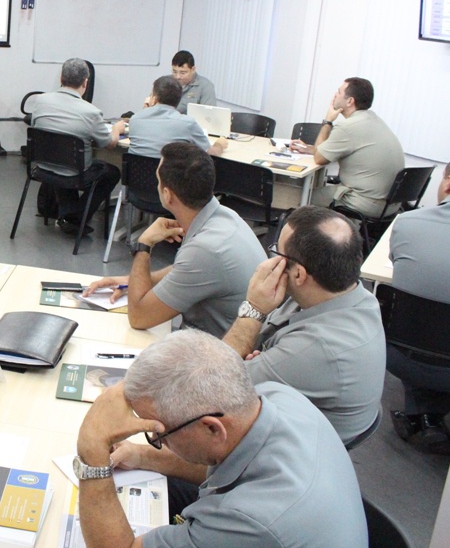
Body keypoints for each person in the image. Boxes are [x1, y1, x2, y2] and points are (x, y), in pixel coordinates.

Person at [76, 329, 367, 548]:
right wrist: (142, 455)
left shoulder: (248, 519)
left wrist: (92, 454)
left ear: (212, 428)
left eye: (160, 434)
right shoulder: (279, 398)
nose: (158, 441)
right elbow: (222, 462)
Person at [221, 205, 385, 445]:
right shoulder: (352, 296)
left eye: (278, 252)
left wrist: (253, 309)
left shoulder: (318, 348)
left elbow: (215, 386)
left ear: (299, 274)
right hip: (286, 420)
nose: (274, 259)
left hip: (277, 456)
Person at [85, 142, 264, 337]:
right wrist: (131, 282)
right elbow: (188, 271)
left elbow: (138, 318)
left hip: (213, 356)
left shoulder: (206, 250)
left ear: (167, 194)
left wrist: (144, 245)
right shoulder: (225, 217)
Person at [387, 152, 450, 454]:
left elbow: (397, 268)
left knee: (422, 318)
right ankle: (432, 415)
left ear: (448, 182)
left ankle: (420, 413)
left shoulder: (406, 223)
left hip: (396, 355)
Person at [29, 57, 128, 235]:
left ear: (61, 78)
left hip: (42, 167)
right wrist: (117, 128)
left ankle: (68, 214)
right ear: (85, 82)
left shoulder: (40, 101)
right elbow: (109, 143)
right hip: (72, 173)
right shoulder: (90, 112)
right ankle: (76, 217)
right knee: (111, 172)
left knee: (63, 158)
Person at [290, 77, 404, 218]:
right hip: (390, 204)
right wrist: (312, 149)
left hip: (366, 203)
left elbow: (319, 159)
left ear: (350, 101)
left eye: (338, 92)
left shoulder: (348, 127)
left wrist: (328, 121)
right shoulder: (373, 120)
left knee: (301, 196)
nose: (335, 95)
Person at [127, 76, 228, 158]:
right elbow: (212, 153)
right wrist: (220, 144)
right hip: (170, 181)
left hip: (136, 180)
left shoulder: (135, 119)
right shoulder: (187, 124)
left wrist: (147, 109)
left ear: (154, 98)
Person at [171, 50, 217, 114]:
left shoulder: (206, 86)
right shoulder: (165, 83)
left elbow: (209, 115)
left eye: (183, 73)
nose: (177, 76)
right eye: (175, 72)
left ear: (193, 69)